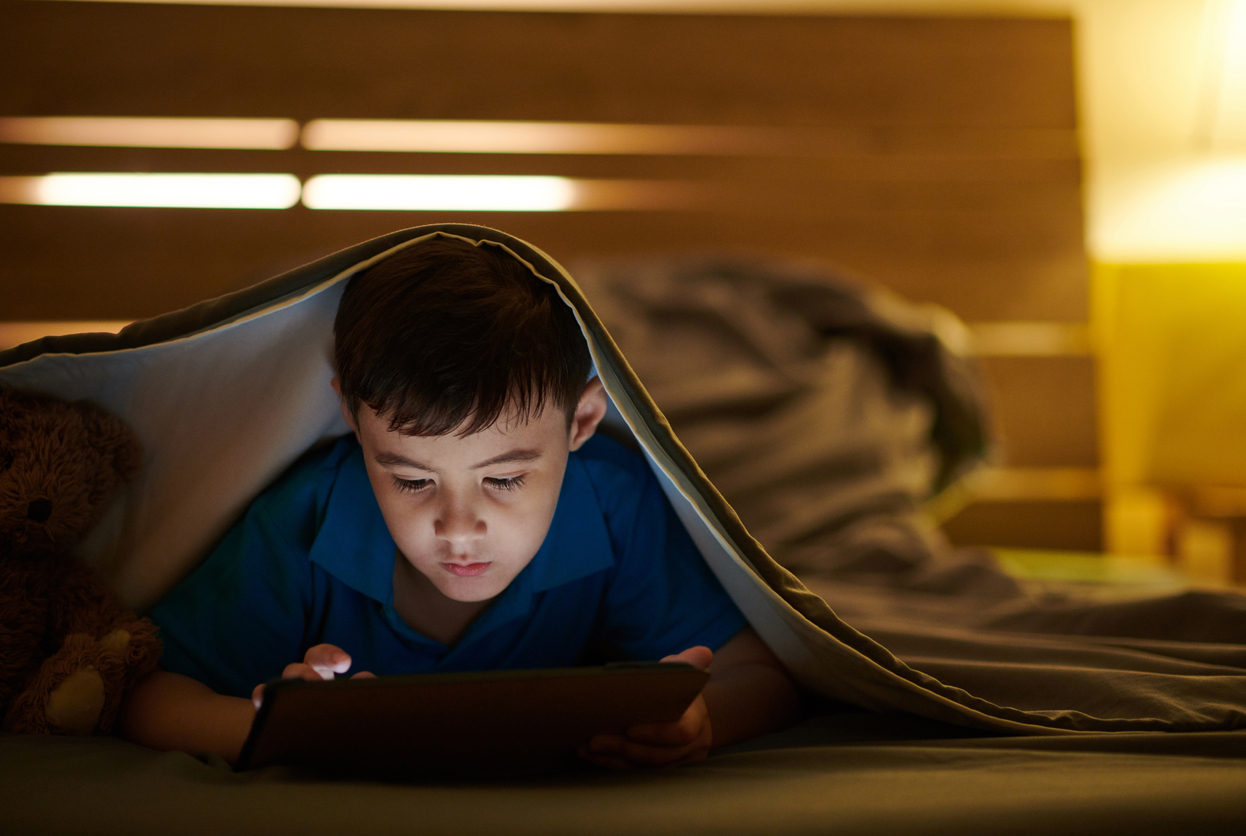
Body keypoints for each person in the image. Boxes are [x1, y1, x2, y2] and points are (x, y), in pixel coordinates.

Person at [120, 236, 797, 769]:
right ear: (354, 423)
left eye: (504, 480)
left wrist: (701, 723)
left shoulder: (614, 508)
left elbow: (760, 672)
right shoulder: (305, 521)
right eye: (412, 480)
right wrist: (277, 729)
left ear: (581, 423)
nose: (458, 528)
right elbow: (151, 696)